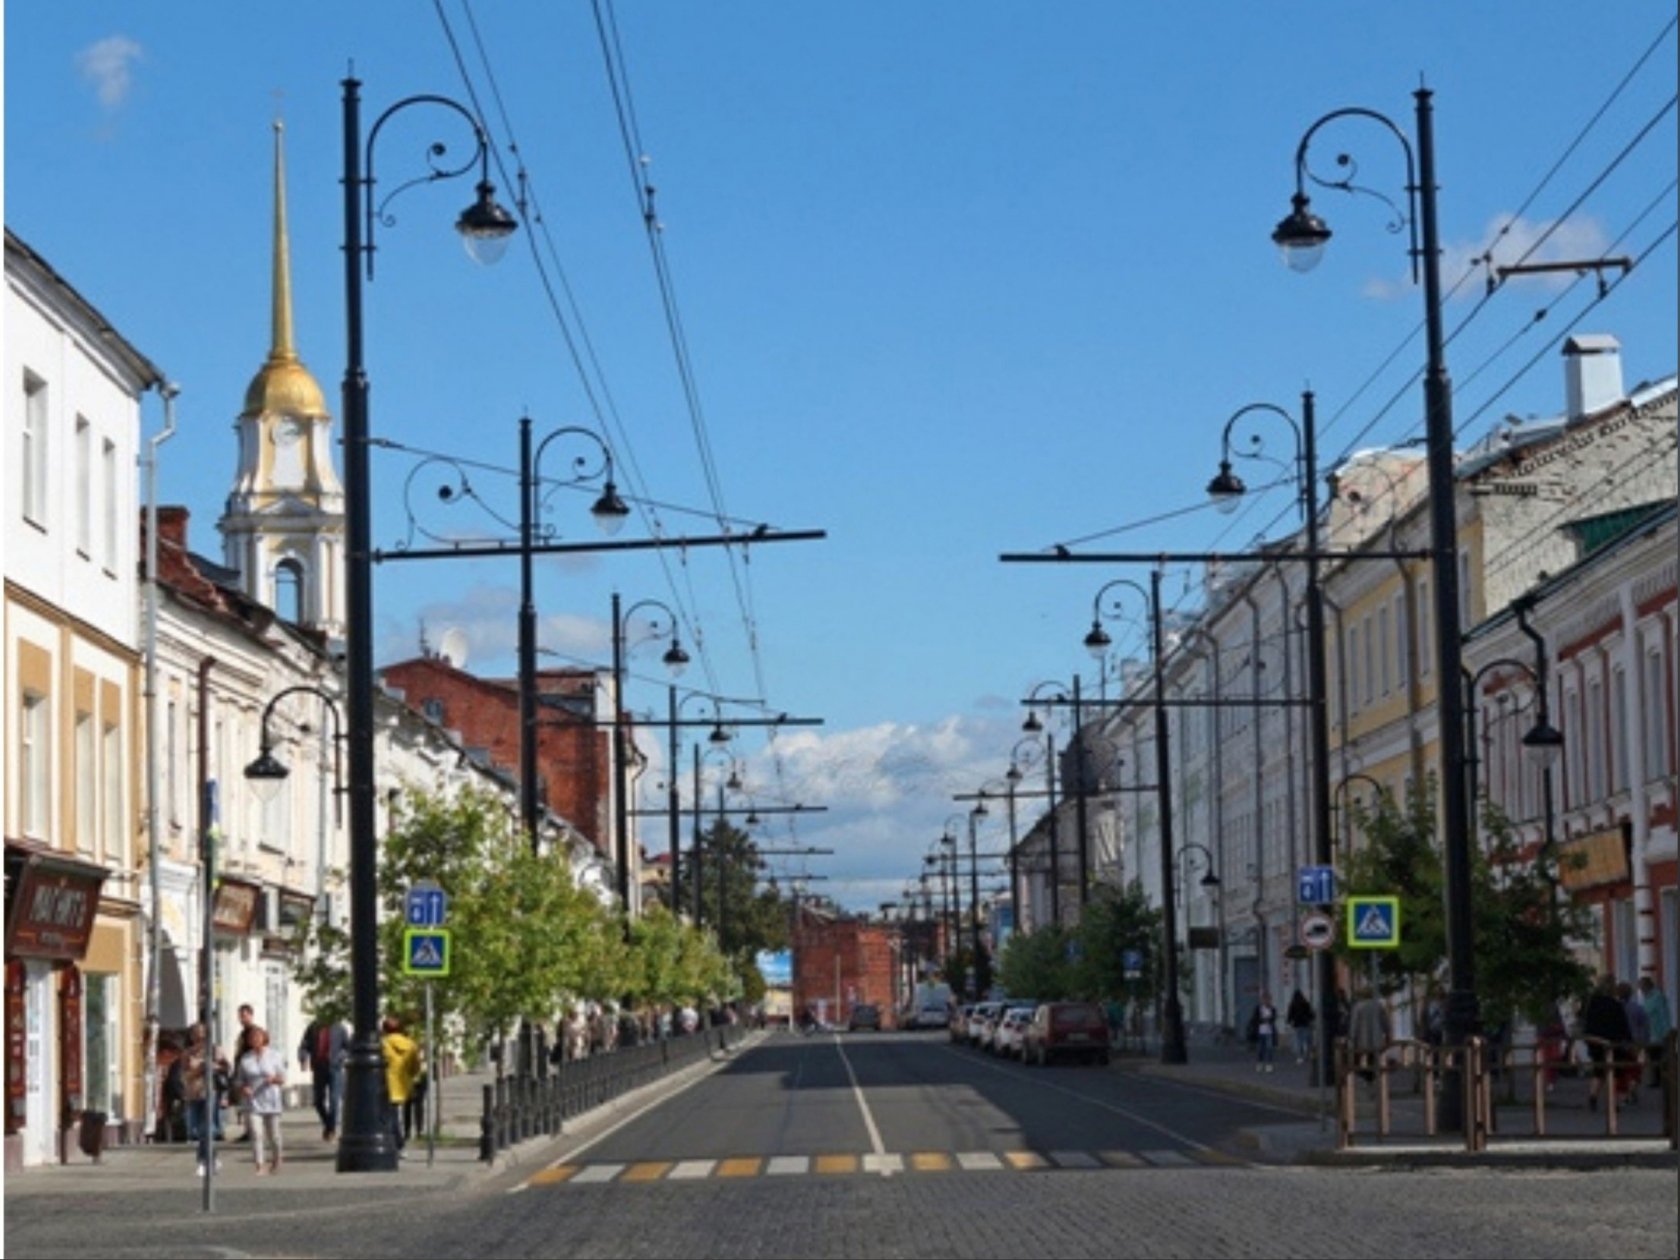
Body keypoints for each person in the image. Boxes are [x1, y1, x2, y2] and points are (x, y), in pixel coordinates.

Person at [235, 1026, 287, 1175]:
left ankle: (277, 1158)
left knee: (274, 1135)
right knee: (256, 1133)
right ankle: (260, 1164)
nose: (255, 1040)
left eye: (258, 1037)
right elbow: (239, 1080)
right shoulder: (246, 1058)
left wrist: (274, 1079)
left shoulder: (274, 1055)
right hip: (253, 1101)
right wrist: (243, 1088)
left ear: (264, 1038)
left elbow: (283, 1078)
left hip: (271, 1100)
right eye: (252, 1038)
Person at [1580, 974, 1634, 1112]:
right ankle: (1613, 1103)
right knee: (1614, 1073)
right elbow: (1623, 1025)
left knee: (1598, 1071)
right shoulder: (1615, 1005)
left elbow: (1586, 1022)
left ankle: (1593, 1097)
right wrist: (1629, 1040)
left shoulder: (1592, 1003)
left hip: (1594, 1041)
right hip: (1612, 1043)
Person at [180, 1023, 228, 1176]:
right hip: (193, 1093)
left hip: (210, 1093)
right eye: (195, 1034)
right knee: (195, 1129)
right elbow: (185, 1075)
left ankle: (203, 1161)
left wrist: (208, 1065)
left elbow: (226, 1068)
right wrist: (197, 1070)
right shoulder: (187, 1053)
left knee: (206, 1129)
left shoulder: (214, 1050)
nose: (198, 1037)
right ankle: (213, 1159)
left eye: (201, 1033)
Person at [298, 1014, 349, 1141]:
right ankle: (328, 1124)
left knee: (334, 1099)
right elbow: (305, 1045)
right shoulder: (314, 1027)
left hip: (335, 1068)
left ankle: (331, 1129)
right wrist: (303, 1058)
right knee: (318, 1101)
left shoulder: (340, 1028)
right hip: (319, 1067)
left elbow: (347, 1047)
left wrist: (340, 1058)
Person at [380, 1016, 423, 1154]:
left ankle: (397, 1144)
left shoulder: (383, 1044)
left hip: (386, 1084)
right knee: (394, 1115)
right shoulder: (410, 1045)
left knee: (389, 1116)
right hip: (403, 1085)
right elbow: (416, 1067)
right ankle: (397, 1143)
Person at [1347, 988, 1390, 1086]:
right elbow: (1385, 1021)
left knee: (1358, 1058)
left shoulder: (1358, 1007)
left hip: (1362, 1036)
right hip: (1376, 1036)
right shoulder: (1378, 1006)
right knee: (1373, 1057)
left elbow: (1354, 1023)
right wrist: (1387, 1033)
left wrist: (1352, 1036)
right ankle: (1371, 1077)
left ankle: (1366, 1076)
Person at [230, 1004, 258, 1143]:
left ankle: (252, 1131)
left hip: (250, 1072)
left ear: (251, 1015)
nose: (241, 1019)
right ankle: (248, 1130)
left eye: (244, 1016)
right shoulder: (243, 1033)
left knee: (250, 1104)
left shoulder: (254, 1032)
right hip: (243, 1070)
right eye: (240, 1016)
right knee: (245, 1104)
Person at [1639, 975, 1673, 1090]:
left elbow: (1663, 1015)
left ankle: (1660, 1080)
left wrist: (1666, 1032)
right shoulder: (1647, 997)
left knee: (1658, 1057)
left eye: (1642, 986)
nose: (1641, 989)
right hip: (1649, 1033)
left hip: (1658, 1032)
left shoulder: (1657, 997)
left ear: (1647, 985)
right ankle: (1656, 1079)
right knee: (1653, 1057)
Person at [1618, 981, 1649, 1105]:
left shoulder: (1616, 1008)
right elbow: (1645, 1025)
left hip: (1621, 1042)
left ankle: (1625, 1093)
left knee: (1622, 1069)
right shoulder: (1637, 1008)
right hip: (1636, 1041)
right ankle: (1632, 1089)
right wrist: (1645, 1040)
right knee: (1635, 1068)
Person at [1249, 992, 1278, 1072]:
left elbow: (1273, 1019)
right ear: (1262, 1000)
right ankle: (1260, 1063)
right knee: (1261, 1049)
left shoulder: (1272, 1009)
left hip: (1269, 1032)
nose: (1266, 1001)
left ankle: (1269, 1064)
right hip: (1260, 1031)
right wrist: (1263, 1020)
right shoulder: (1258, 1009)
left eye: (1268, 1000)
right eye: (1265, 1000)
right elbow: (1254, 1019)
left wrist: (1269, 1020)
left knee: (1269, 1048)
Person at [1285, 989, 1314, 1065]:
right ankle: (1309, 1053)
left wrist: (1289, 1022)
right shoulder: (1305, 1003)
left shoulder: (1292, 1004)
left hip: (1297, 1025)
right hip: (1306, 1024)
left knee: (1299, 1041)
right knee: (1308, 1040)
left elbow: (1290, 1015)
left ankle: (1300, 1056)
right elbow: (1311, 1014)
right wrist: (1311, 1020)